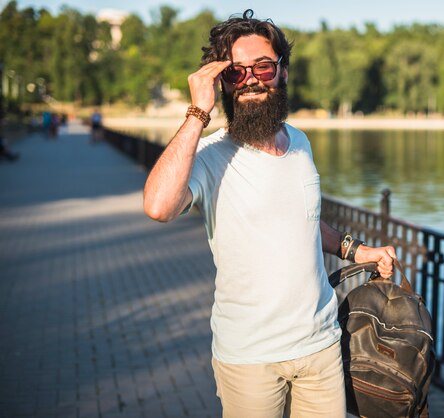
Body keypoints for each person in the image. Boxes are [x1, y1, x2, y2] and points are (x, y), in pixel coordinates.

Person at [143, 9, 396, 418]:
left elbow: (304, 223)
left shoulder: (299, 142)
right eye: (235, 72)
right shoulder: (211, 156)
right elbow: (158, 206)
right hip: (250, 357)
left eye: (262, 66)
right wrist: (197, 114)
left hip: (321, 346)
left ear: (282, 71)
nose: (251, 80)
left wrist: (356, 250)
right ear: (221, 82)